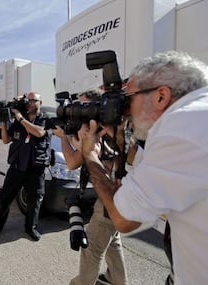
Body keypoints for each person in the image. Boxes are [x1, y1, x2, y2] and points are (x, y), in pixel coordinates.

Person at [78, 51, 208, 285]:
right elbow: (160, 174)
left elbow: (124, 218)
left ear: (161, 96)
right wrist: (122, 140)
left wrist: (90, 155)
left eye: (128, 98)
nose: (125, 110)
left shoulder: (180, 126)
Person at [53, 90, 128, 285]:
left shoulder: (99, 137)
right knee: (113, 244)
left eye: (82, 107)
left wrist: (62, 137)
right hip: (120, 201)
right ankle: (116, 280)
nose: (77, 112)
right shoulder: (111, 129)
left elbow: (71, 162)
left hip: (108, 204)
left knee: (91, 252)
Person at [0, 92, 51, 241]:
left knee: (34, 200)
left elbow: (39, 132)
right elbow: (6, 140)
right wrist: (3, 122)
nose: (30, 103)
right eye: (29, 100)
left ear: (40, 102)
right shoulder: (19, 122)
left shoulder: (45, 120)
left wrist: (20, 117)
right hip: (18, 166)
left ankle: (30, 228)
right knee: (4, 198)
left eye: (34, 100)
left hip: (35, 168)